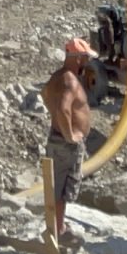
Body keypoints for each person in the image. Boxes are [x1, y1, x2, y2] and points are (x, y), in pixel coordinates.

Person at [41, 38, 97, 234]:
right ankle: (58, 229)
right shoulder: (70, 81)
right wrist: (70, 134)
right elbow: (63, 108)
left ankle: (58, 226)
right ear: (78, 58)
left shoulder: (58, 77)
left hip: (56, 138)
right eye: (86, 58)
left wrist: (57, 122)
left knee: (57, 186)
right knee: (63, 189)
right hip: (66, 144)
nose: (87, 63)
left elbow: (45, 94)